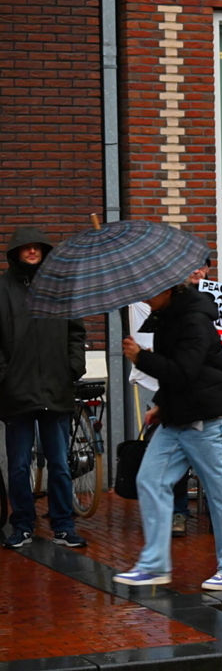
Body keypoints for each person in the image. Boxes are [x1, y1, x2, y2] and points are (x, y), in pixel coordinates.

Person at [116, 282, 222, 589]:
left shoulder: (194, 319)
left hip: (208, 420)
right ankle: (154, 565)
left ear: (169, 290)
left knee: (221, 494)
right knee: (150, 480)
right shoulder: (166, 316)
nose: (145, 296)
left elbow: (184, 370)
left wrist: (141, 358)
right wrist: (162, 404)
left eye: (151, 290)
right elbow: (178, 373)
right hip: (178, 418)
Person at [1, 227, 89, 550]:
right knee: (19, 465)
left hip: (56, 388)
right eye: (26, 247)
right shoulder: (2, 289)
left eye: (37, 247)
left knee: (60, 463)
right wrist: (5, 376)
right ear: (16, 252)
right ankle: (23, 525)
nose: (32, 251)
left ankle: (63, 526)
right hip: (17, 392)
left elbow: (76, 332)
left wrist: (73, 367)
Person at [171, 257, 222, 538]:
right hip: (184, 388)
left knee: (218, 457)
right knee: (180, 452)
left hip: (212, 389)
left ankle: (216, 513)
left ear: (209, 270)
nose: (197, 270)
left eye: (202, 266)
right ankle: (178, 511)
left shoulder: (221, 300)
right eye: (191, 265)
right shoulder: (174, 301)